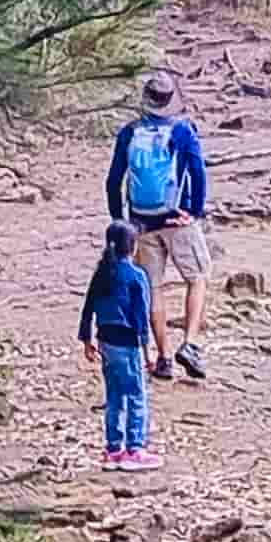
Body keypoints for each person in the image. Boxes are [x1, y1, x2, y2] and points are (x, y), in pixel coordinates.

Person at [104, 70, 214, 380]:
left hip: (141, 222)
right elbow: (198, 172)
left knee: (153, 288)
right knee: (198, 277)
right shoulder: (183, 131)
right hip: (177, 219)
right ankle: (190, 344)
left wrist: (120, 221)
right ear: (170, 101)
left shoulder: (129, 133)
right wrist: (194, 211)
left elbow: (113, 180)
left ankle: (164, 358)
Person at [76, 219, 161, 471]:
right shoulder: (136, 276)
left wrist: (87, 341)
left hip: (105, 341)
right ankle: (135, 448)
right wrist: (148, 352)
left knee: (114, 396)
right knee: (136, 395)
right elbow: (141, 318)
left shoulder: (101, 274)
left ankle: (113, 449)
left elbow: (88, 308)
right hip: (127, 343)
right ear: (133, 247)